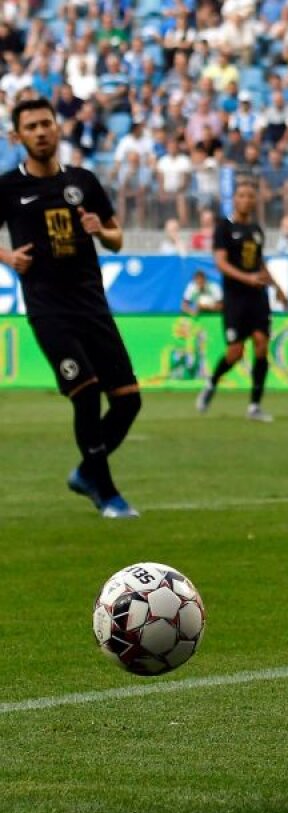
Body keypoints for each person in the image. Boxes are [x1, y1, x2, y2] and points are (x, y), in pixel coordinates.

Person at [0, 96, 141, 518]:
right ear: (18, 136)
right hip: (48, 309)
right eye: (32, 127)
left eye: (46, 124)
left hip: (92, 305)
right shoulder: (8, 187)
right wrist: (7, 257)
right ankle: (107, 492)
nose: (41, 132)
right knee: (86, 392)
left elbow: (118, 239)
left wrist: (102, 231)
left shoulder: (84, 182)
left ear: (58, 129)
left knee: (129, 401)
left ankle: (86, 471)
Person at [196, 179, 288, 422]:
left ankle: (254, 406)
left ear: (255, 200)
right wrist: (247, 278)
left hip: (257, 296)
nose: (246, 199)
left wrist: (278, 287)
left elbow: (260, 262)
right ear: (235, 200)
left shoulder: (257, 230)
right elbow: (221, 263)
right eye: (242, 195)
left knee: (261, 343)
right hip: (235, 298)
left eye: (250, 196)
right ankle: (212, 382)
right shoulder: (223, 229)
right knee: (235, 353)